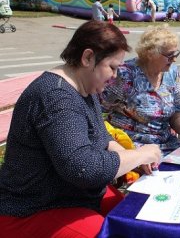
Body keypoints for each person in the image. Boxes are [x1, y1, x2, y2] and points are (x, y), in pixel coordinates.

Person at [0, 21, 162, 237]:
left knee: (133, 218)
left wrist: (132, 158)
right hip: (33, 209)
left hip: (70, 196)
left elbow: (100, 136)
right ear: (88, 58)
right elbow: (83, 169)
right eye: (112, 67)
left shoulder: (83, 88)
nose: (115, 75)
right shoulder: (56, 97)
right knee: (116, 231)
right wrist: (140, 154)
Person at [101, 25, 180, 153]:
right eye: (170, 55)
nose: (175, 59)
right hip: (130, 149)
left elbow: (176, 114)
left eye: (176, 53)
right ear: (150, 54)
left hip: (166, 145)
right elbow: (98, 112)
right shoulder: (124, 75)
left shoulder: (172, 72)